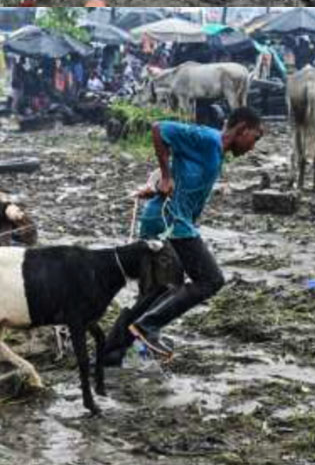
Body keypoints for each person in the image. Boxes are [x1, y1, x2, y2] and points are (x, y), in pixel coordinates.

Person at [100, 109, 264, 366]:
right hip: (170, 224)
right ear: (241, 129)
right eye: (255, 138)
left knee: (156, 294)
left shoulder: (215, 153)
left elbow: (183, 170)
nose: (253, 147)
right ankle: (146, 328)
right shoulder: (209, 139)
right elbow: (159, 128)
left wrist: (160, 184)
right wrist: (165, 176)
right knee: (210, 279)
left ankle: (111, 354)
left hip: (169, 221)